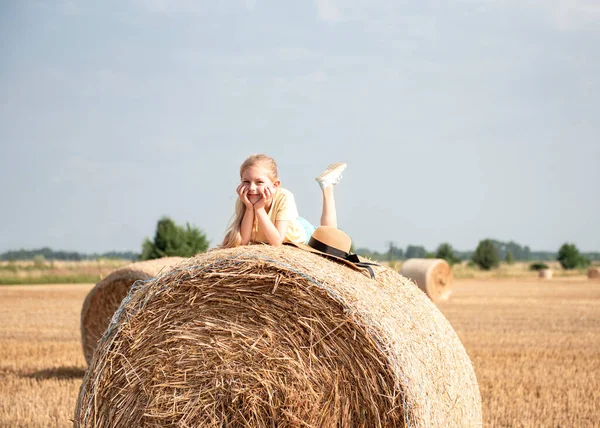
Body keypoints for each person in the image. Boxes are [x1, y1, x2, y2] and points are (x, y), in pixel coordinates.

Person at [222, 154, 346, 248]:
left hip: (302, 232)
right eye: (246, 182)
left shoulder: (284, 197)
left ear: (275, 185)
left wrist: (259, 209)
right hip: (281, 226)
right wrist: (250, 208)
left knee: (331, 240)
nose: (252, 188)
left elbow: (276, 242)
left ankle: (327, 187)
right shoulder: (244, 201)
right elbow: (243, 241)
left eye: (259, 182)